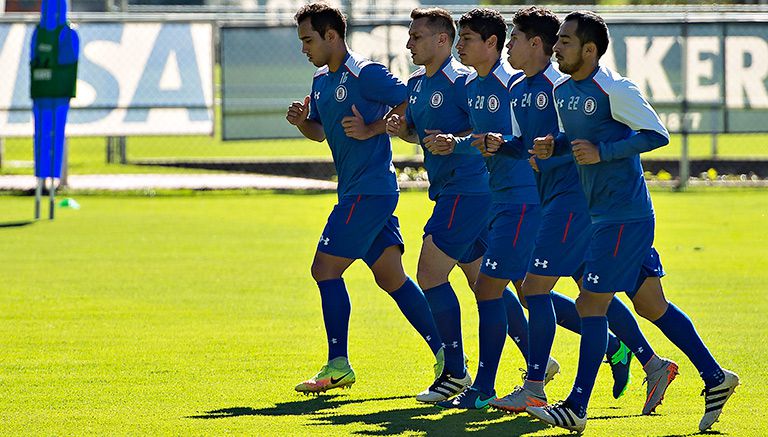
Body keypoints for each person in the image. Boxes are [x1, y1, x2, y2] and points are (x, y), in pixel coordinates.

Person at [525, 10, 739, 432]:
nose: (556, 47)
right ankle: (716, 378)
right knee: (650, 304)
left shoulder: (615, 88)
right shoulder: (565, 91)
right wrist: (558, 146)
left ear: (590, 49)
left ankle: (576, 406)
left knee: (590, 302)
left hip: (625, 215)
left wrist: (603, 152)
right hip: (601, 214)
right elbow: (581, 139)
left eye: (565, 41)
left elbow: (656, 134)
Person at [478, 6, 663, 414]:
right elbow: (537, 145)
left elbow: (577, 143)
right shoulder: (519, 89)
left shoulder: (560, 86)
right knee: (591, 295)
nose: (509, 45)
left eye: (514, 39)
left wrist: (561, 152)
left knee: (535, 287)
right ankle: (643, 358)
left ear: (535, 44)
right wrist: (502, 144)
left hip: (574, 203)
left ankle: (536, 385)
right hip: (552, 202)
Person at [287, 2, 444, 395]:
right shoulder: (321, 81)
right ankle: (447, 355)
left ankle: (338, 365)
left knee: (324, 269)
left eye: (308, 39)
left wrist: (374, 127)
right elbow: (320, 133)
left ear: (331, 36)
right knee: (392, 277)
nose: (304, 48)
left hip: (369, 192)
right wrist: (301, 121)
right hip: (359, 190)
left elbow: (412, 97)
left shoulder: (367, 73)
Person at [385, 7, 490, 403]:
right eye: (410, 36)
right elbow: (420, 135)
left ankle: (454, 372)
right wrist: (402, 130)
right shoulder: (415, 84)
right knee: (487, 286)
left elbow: (483, 129)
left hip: (470, 189)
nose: (409, 43)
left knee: (429, 274)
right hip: (450, 191)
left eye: (416, 37)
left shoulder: (463, 81)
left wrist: (456, 139)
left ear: (442, 40)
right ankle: (545, 357)